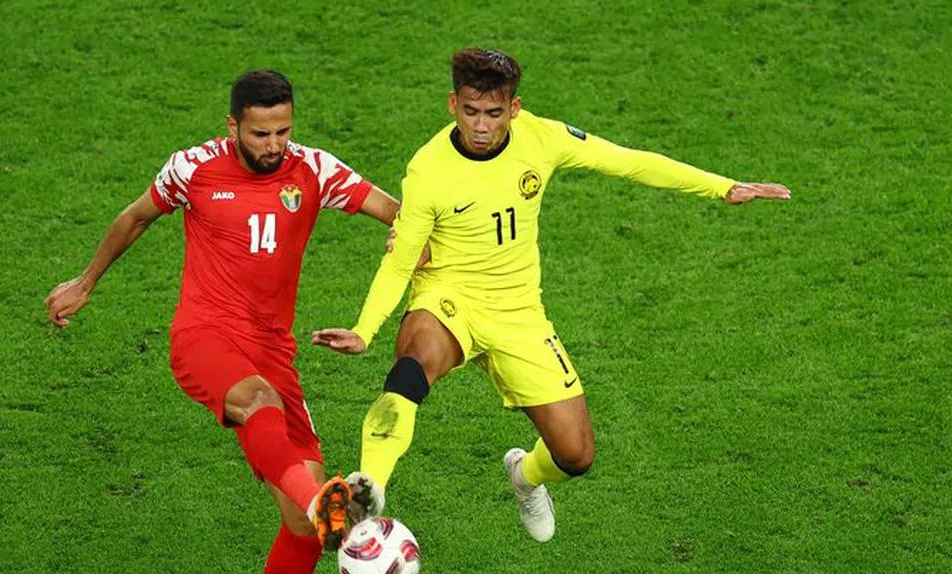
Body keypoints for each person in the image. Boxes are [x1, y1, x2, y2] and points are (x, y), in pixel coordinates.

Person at [312, 48, 790, 543]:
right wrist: (365, 330)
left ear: (514, 109)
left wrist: (722, 188)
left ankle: (525, 476)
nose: (481, 125)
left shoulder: (541, 138)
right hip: (449, 298)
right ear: (452, 104)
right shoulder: (428, 170)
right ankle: (369, 489)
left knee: (576, 454)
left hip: (519, 313)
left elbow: (626, 162)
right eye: (470, 112)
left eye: (494, 113)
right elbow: (401, 261)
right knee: (413, 365)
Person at [45, 70, 397, 574]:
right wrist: (86, 281)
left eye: (284, 130)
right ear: (233, 125)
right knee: (265, 417)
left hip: (273, 352)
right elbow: (135, 217)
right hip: (204, 337)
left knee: (299, 528)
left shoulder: (313, 170)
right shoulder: (195, 168)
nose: (274, 144)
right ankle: (328, 505)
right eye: (261, 133)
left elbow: (393, 214)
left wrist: (419, 243)